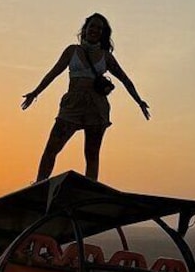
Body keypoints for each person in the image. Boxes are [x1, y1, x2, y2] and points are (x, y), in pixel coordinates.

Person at [21, 13, 150, 182]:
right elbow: (53, 73)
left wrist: (139, 101)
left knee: (91, 154)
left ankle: (90, 189)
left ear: (103, 33)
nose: (95, 30)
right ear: (85, 29)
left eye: (99, 28)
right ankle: (38, 185)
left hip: (97, 107)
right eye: (92, 26)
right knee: (51, 148)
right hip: (72, 105)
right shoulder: (72, 50)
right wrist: (35, 93)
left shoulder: (106, 56)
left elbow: (125, 79)